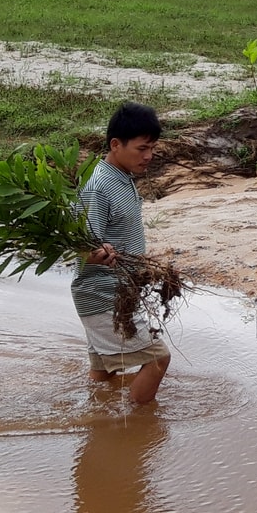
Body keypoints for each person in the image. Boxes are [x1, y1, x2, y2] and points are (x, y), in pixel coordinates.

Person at [74, 102, 172, 405]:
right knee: (158, 358)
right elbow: (76, 247)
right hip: (102, 293)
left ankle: (95, 418)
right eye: (142, 148)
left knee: (103, 371)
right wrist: (94, 254)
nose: (149, 156)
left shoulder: (121, 178)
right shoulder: (99, 186)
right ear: (116, 145)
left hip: (117, 291)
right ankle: (138, 424)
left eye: (152, 148)